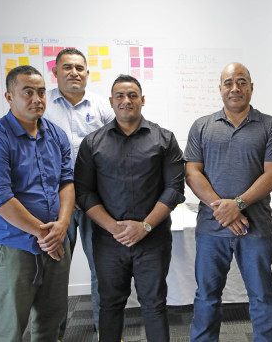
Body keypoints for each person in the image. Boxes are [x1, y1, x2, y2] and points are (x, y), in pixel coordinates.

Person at [74, 74, 185, 342]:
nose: (127, 101)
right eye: (120, 96)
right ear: (111, 102)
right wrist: (115, 228)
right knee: (110, 304)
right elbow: (84, 192)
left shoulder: (164, 139)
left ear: (142, 100)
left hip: (153, 239)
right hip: (109, 241)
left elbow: (174, 190)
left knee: (154, 304)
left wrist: (144, 226)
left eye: (133, 95)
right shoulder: (92, 143)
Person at [0, 65, 75, 341]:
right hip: (11, 246)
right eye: (27, 92)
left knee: (51, 323)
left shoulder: (56, 135)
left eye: (41, 92)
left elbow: (66, 182)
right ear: (9, 97)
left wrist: (63, 224)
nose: (36, 99)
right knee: (10, 329)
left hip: (55, 242)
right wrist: (45, 234)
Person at [184, 62, 272, 342]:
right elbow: (192, 173)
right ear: (220, 89)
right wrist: (223, 208)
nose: (235, 88)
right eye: (228, 83)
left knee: (262, 296)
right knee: (206, 297)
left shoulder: (271, 126)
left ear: (251, 87)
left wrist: (237, 204)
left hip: (256, 229)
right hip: (210, 229)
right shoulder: (202, 126)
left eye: (242, 82)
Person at [43, 47, 114, 339]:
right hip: (54, 201)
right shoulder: (41, 105)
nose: (74, 72)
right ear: (56, 72)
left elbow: (120, 145)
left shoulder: (101, 107)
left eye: (80, 68)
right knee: (53, 271)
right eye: (67, 67)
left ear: (87, 73)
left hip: (95, 200)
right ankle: (52, 333)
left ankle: (105, 331)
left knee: (102, 270)